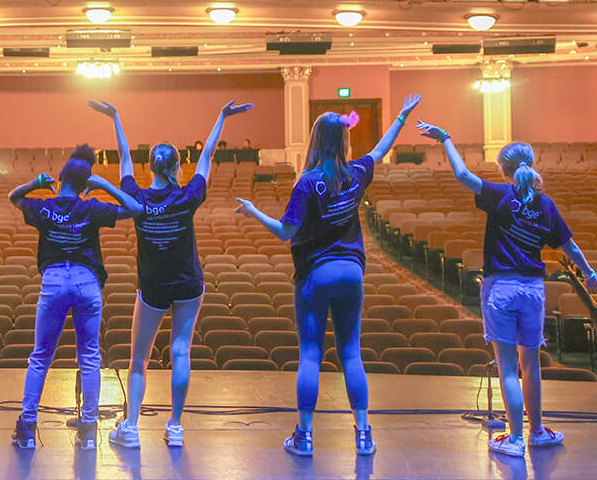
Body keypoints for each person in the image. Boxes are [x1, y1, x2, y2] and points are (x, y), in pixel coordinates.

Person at [236, 94, 421, 457]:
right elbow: (380, 149)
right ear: (345, 141)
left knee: (310, 353)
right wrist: (400, 116)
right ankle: (364, 433)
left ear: (315, 141)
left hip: (316, 274)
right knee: (351, 354)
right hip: (352, 272)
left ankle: (304, 437)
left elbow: (287, 233)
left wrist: (255, 211)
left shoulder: (308, 182)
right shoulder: (357, 174)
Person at [415, 125, 597, 458]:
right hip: (533, 290)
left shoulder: (502, 195)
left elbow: (461, 174)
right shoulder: (546, 205)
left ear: (504, 169)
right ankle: (537, 431)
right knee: (532, 364)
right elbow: (568, 245)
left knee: (507, 366)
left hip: (501, 289)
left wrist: (445, 139)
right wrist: (590, 273)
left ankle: (514, 439)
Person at [88, 99, 254, 449]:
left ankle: (130, 427)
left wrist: (116, 117)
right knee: (181, 351)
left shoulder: (136, 199)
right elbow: (207, 156)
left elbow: (122, 156)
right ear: (178, 167)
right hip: (189, 284)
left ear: (151, 168)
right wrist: (221, 117)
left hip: (152, 287)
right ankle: (175, 426)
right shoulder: (188, 195)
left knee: (138, 358)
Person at [8, 144, 144, 451]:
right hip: (86, 283)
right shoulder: (92, 206)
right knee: (90, 357)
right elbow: (136, 209)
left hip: (54, 281)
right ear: (86, 185)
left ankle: (27, 429)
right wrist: (105, 185)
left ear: (59, 178)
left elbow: (14, 198)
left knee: (41, 356)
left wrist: (36, 185)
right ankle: (87, 432)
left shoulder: (45, 205)